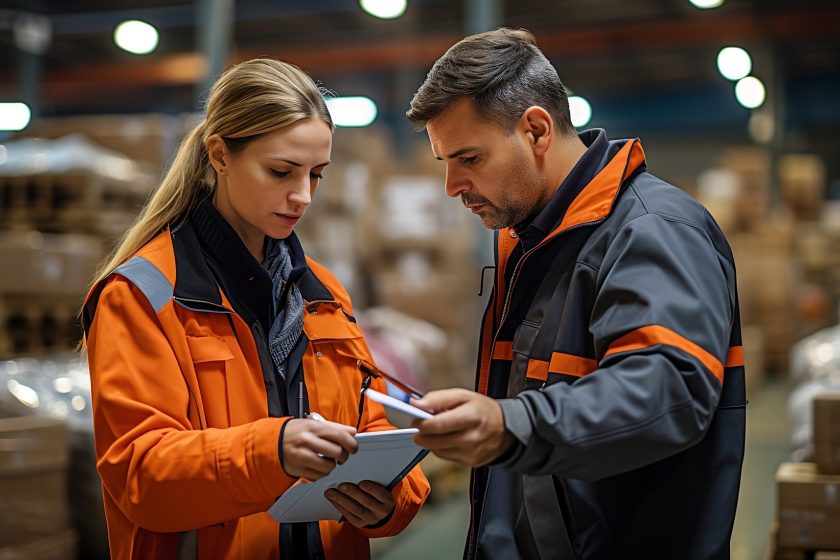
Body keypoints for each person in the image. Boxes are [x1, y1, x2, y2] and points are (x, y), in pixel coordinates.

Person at [406, 28, 745, 559]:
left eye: (469, 159)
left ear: (536, 130)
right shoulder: (534, 240)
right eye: (444, 162)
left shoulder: (651, 231)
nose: (451, 185)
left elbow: (668, 388)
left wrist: (511, 424)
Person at [81, 58, 429, 560]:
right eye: (281, 171)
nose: (303, 196)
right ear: (220, 154)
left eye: (317, 175)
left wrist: (389, 502)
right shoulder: (143, 295)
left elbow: (373, 427)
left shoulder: (324, 294)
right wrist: (273, 451)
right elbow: (141, 475)